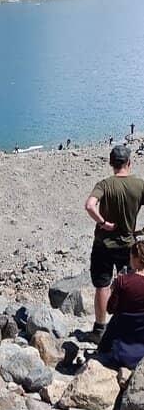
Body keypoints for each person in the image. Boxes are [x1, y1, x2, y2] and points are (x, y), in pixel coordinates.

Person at [85, 145, 144, 341]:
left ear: (111, 163)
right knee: (129, 283)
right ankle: (127, 327)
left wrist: (103, 223)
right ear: (129, 162)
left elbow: (89, 205)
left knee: (102, 285)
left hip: (103, 243)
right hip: (128, 244)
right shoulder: (139, 185)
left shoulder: (104, 184)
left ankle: (100, 329)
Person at [98, 238, 144, 369]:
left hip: (122, 344)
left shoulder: (123, 281)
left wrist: (114, 287)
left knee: (116, 319)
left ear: (135, 259)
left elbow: (110, 309)